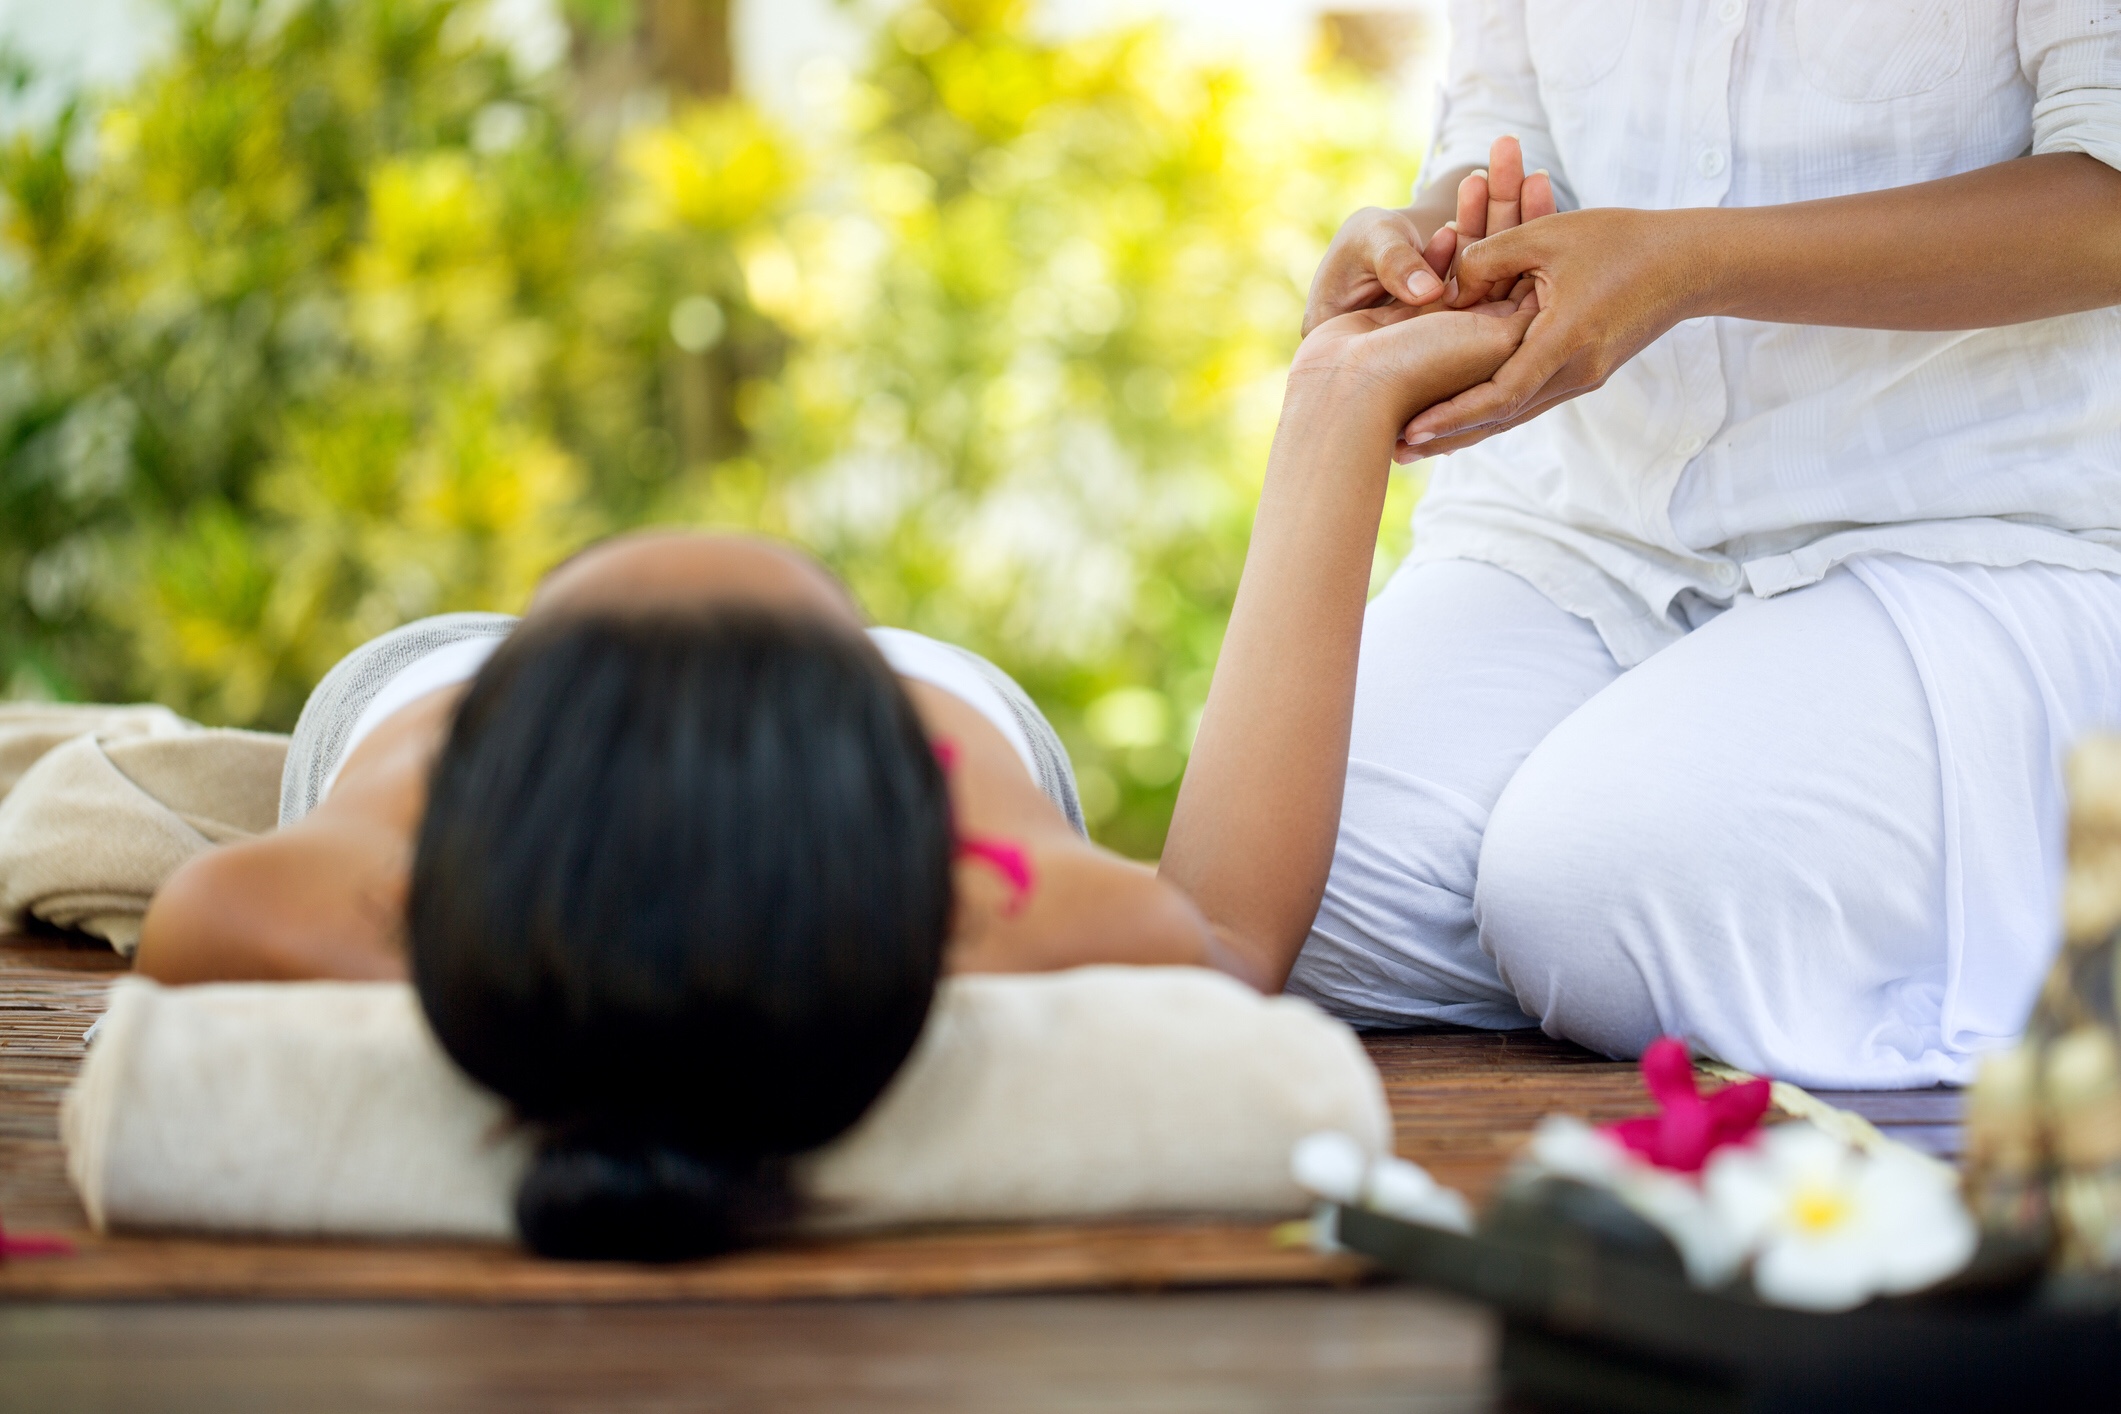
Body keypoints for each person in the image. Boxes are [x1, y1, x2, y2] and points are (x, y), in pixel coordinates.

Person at [134, 273, 1532, 1261]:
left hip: (486, 713)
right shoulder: (1001, 886)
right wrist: (1337, 402)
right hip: (761, 741)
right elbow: (1229, 936)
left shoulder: (324, 890)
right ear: (940, 857)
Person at [1226, 0, 2121, 1090]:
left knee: (1597, 894)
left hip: (1977, 531)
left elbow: (2105, 198)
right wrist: (1429, 248)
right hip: (1586, 526)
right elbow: (1502, 131)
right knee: (1312, 901)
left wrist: (1690, 263)